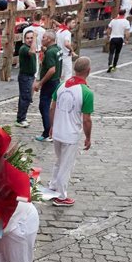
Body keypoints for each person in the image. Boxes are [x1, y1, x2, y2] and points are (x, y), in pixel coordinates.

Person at [48, 56, 94, 207]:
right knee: (66, 165)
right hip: (70, 134)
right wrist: (88, 137)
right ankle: (61, 195)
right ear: (88, 71)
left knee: (59, 161)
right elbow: (86, 119)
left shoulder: (61, 86)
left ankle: (53, 185)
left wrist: (52, 126)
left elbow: (52, 107)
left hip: (58, 131)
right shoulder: (86, 92)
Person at [33, 30, 62, 143]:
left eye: (44, 37)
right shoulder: (57, 49)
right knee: (52, 107)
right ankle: (53, 130)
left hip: (49, 82)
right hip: (56, 81)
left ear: (49, 39)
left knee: (44, 106)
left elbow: (51, 69)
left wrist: (40, 83)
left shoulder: (50, 52)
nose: (42, 39)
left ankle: (47, 132)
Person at [16, 29, 37, 128]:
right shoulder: (24, 48)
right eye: (28, 38)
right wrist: (35, 39)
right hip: (25, 76)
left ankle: (22, 116)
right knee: (25, 98)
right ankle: (20, 119)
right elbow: (32, 52)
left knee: (27, 97)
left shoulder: (28, 47)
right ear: (24, 39)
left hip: (30, 76)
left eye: (31, 38)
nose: (30, 40)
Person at [56, 16, 75, 82]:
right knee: (68, 73)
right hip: (66, 55)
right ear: (68, 23)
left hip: (59, 54)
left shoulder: (59, 31)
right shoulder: (67, 32)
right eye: (73, 23)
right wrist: (72, 50)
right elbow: (66, 43)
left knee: (60, 73)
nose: (74, 24)